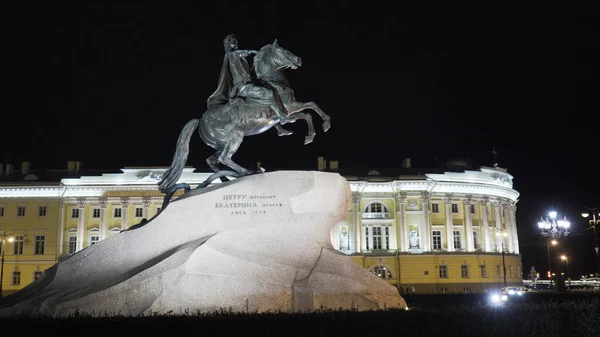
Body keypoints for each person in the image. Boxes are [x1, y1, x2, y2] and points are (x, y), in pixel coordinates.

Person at [207, 34, 291, 127]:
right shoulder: (231, 54)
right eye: (233, 41)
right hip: (242, 87)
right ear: (227, 44)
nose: (236, 42)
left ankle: (277, 127)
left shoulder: (239, 58)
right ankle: (282, 118)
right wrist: (252, 51)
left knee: (269, 92)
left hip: (248, 84)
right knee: (268, 94)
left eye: (236, 41)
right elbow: (241, 53)